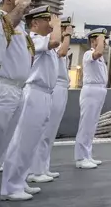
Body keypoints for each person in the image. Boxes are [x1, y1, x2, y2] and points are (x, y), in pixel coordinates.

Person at [0, 6, 61, 201]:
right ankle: (10, 186)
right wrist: (59, 24)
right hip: (34, 93)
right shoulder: (34, 38)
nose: (50, 25)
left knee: (31, 142)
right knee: (22, 142)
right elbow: (56, 41)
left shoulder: (40, 41)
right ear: (34, 23)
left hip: (45, 94)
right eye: (47, 21)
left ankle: (20, 180)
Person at [29, 16, 74, 181]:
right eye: (65, 28)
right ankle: (35, 170)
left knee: (50, 132)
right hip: (48, 88)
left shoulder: (54, 45)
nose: (68, 31)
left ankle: (43, 167)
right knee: (43, 132)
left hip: (54, 88)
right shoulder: (47, 42)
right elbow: (61, 50)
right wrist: (65, 35)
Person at [0, 0, 32, 175]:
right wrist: (19, 8)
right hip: (4, 86)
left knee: (5, 141)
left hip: (18, 88)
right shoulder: (4, 18)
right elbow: (5, 27)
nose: (28, 3)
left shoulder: (19, 26)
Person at [74, 27, 109, 170]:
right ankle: (80, 158)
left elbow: (100, 53)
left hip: (99, 90)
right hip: (91, 91)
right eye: (102, 40)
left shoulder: (100, 58)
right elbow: (98, 51)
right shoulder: (89, 54)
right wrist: (100, 41)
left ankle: (87, 155)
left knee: (92, 125)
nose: (105, 43)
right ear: (94, 41)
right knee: (86, 124)